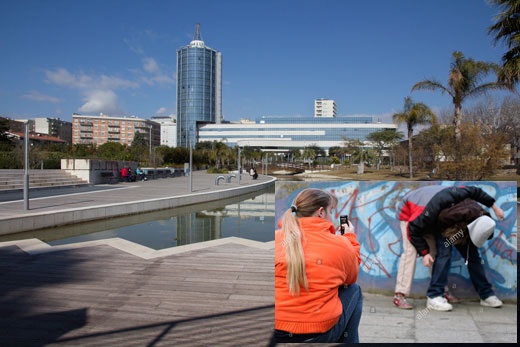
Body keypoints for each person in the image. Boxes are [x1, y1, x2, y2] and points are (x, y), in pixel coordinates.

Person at [394, 185, 505, 311]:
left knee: (471, 255)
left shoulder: (470, 207)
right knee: (416, 252)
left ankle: (486, 295)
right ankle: (404, 295)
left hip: (442, 215)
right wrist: (424, 252)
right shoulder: (433, 211)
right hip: (413, 213)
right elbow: (414, 230)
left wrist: (495, 208)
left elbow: (476, 191)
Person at [274, 188, 363, 343]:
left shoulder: (276, 239)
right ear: (321, 212)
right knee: (354, 289)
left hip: (275, 331)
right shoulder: (341, 244)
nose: (332, 217)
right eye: (331, 211)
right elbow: (351, 278)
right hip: (316, 334)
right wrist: (349, 238)